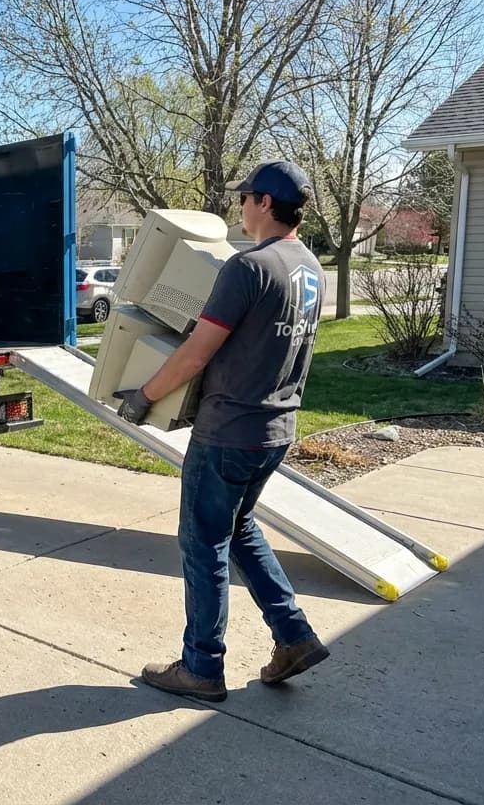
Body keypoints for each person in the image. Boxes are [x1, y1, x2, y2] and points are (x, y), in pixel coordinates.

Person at [115, 160, 330, 703]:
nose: (239, 208)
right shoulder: (310, 267)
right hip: (276, 428)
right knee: (240, 530)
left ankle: (201, 668)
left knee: (203, 544)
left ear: (263, 203)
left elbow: (197, 351)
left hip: (229, 431)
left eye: (244, 198)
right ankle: (294, 635)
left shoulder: (250, 267)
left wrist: (144, 396)